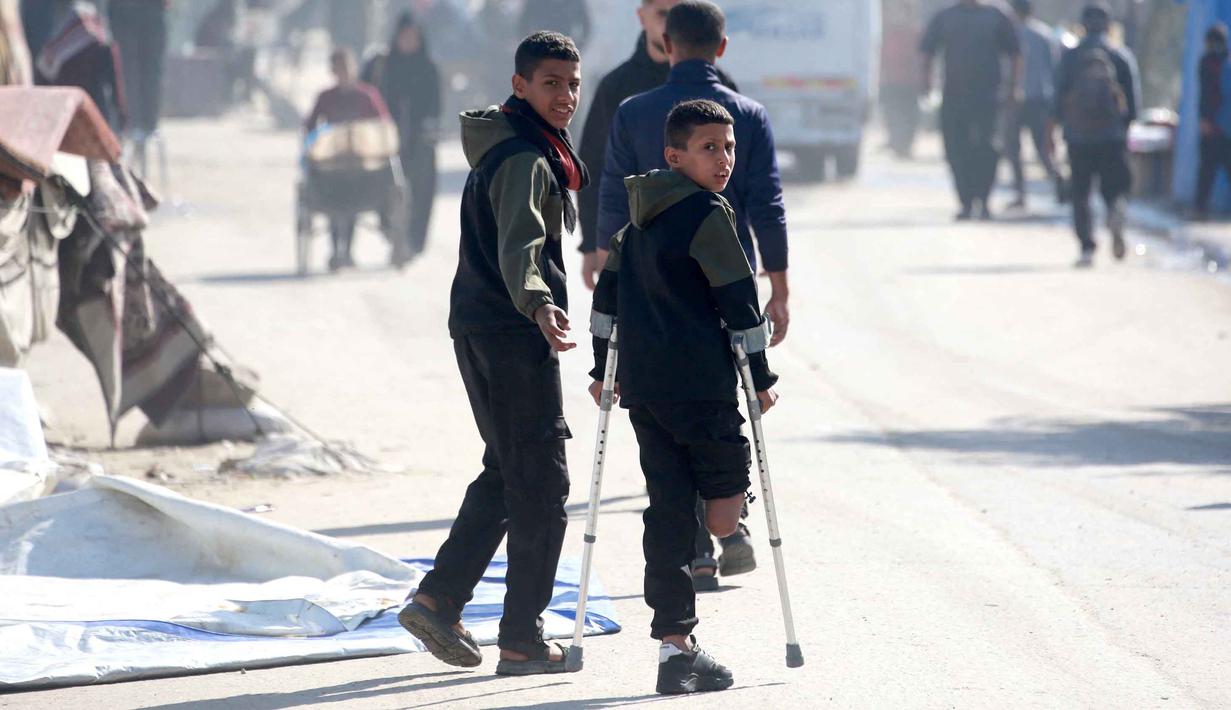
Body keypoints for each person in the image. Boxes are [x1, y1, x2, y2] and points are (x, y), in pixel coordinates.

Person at [396, 31, 588, 676]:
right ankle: (522, 640)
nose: (565, 96)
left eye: (572, 83)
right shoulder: (525, 160)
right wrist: (538, 303)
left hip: (479, 327)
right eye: (551, 83)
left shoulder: (513, 146)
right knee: (543, 483)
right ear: (520, 87)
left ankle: (438, 599)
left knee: (509, 469)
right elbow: (520, 247)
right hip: (509, 333)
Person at [595, 0, 787, 591]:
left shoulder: (630, 108)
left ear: (667, 43)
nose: (721, 157)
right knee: (709, 414)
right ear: (722, 48)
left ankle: (694, 556)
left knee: (668, 453)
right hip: (720, 298)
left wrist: (608, 261)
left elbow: (612, 190)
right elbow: (767, 201)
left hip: (646, 294)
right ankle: (723, 523)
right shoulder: (745, 112)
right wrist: (778, 287)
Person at [589, 99, 779, 695]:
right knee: (723, 514)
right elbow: (739, 302)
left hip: (645, 392)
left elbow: (604, 307)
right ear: (674, 156)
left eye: (728, 147)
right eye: (708, 148)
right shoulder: (711, 214)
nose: (724, 159)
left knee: (668, 513)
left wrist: (602, 369)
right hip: (702, 389)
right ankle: (724, 537)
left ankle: (676, 646)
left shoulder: (633, 224)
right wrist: (761, 372)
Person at [578, 0, 738, 290]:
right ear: (642, 17)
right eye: (663, 13)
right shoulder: (616, 86)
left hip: (709, 251)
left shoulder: (720, 88)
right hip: (639, 253)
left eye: (678, 13)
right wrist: (592, 243)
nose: (671, 21)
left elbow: (740, 175)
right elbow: (595, 167)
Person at [1052, 2, 1139, 268]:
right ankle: (1116, 209)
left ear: (1082, 26)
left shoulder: (1070, 56)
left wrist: (1058, 131)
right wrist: (1123, 131)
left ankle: (1087, 247)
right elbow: (1133, 106)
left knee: (1081, 193)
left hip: (1078, 136)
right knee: (1115, 186)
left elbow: (1057, 100)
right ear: (1109, 26)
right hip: (1111, 136)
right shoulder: (1120, 56)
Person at [920, 0, 1021, 221]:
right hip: (954, 97)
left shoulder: (997, 16)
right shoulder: (945, 17)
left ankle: (984, 201)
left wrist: (1013, 88)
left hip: (989, 98)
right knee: (956, 150)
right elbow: (927, 50)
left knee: (988, 149)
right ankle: (965, 202)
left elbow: (1015, 52)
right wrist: (926, 84)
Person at [363, 11, 442, 265]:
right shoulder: (382, 66)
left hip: (418, 141)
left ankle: (412, 241)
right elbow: (366, 95)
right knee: (383, 185)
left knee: (421, 188)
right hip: (385, 138)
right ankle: (390, 232)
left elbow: (436, 107)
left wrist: (427, 127)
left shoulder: (428, 68)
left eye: (413, 37)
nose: (408, 42)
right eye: (404, 37)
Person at [304, 47, 392, 271]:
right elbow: (310, 126)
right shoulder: (326, 97)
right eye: (338, 67)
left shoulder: (367, 95)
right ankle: (335, 251)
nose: (342, 72)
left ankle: (348, 252)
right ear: (333, 71)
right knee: (334, 205)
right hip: (333, 163)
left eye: (346, 67)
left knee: (352, 203)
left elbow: (383, 126)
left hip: (361, 162)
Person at [1004, 0, 1062, 209]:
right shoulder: (1045, 35)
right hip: (1041, 98)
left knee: (1013, 149)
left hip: (1014, 99)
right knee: (1043, 148)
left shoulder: (1009, 34)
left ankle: (1020, 194)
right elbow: (1055, 69)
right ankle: (1060, 186)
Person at [34, 0, 127, 132]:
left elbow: (42, 76)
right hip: (83, 113)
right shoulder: (100, 37)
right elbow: (114, 78)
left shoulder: (56, 44)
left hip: (70, 113)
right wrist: (120, 110)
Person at [107, 0, 167, 140]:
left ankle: (144, 123)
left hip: (148, 10)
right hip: (127, 10)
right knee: (128, 69)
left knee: (144, 70)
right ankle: (135, 123)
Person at [880, 0, 923, 159]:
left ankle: (905, 144)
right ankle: (896, 142)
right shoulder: (887, 32)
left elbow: (922, 57)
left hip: (910, 82)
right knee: (893, 113)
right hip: (892, 81)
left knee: (909, 114)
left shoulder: (916, 32)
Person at [1196, 23, 1231, 218]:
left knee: (1206, 172)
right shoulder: (1227, 61)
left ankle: (1200, 209)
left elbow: (1205, 95)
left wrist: (1204, 119)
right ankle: (1200, 208)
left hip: (1212, 127)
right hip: (1226, 128)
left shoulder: (1206, 62)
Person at [519, 0, 590, 49]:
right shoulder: (535, 2)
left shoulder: (574, 2)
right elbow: (523, 22)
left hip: (564, 46)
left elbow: (585, 24)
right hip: (540, 46)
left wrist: (580, 43)